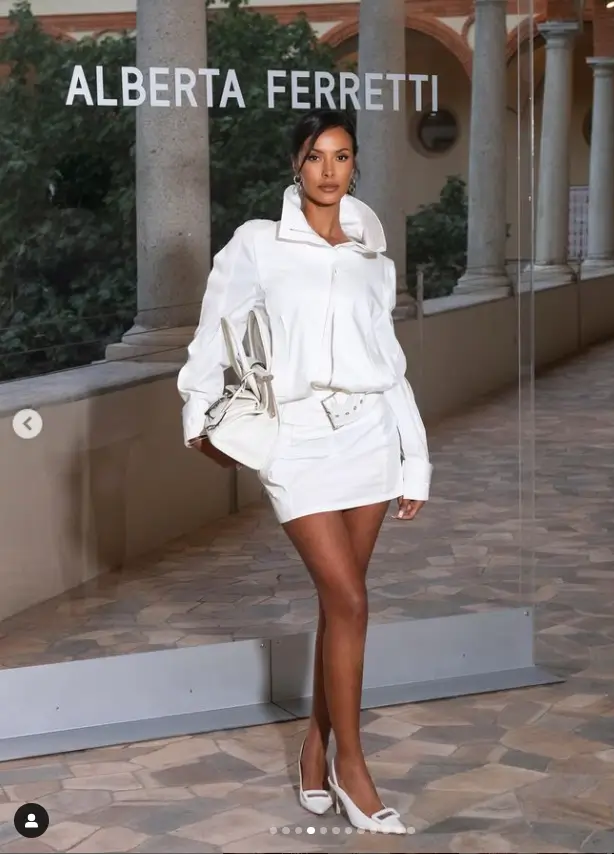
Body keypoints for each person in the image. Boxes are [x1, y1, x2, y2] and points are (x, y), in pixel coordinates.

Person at [177, 108, 432, 834]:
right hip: (296, 441)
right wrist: (196, 417)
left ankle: (316, 748)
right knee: (348, 599)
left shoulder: (371, 260)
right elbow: (210, 335)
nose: (329, 169)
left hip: (369, 438)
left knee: (339, 603)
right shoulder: (257, 245)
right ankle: (354, 767)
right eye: (316, 156)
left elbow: (391, 371)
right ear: (297, 163)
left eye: (342, 156)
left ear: (355, 166)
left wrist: (416, 460)